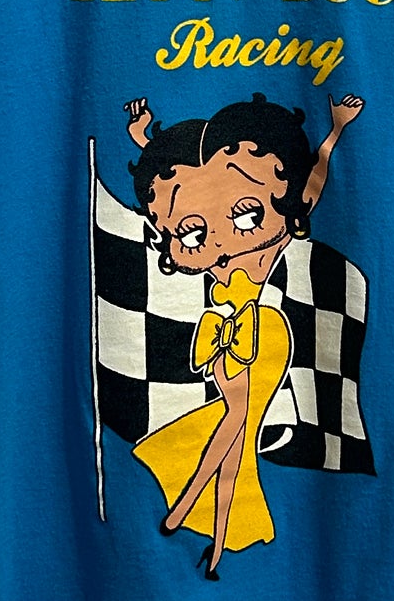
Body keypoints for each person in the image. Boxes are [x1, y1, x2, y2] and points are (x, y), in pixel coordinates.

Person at [122, 90, 361, 574]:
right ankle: (198, 520)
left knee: (237, 433)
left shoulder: (265, 235)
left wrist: (335, 131)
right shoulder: (216, 246)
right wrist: (146, 143)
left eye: (247, 214)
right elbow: (183, 192)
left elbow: (309, 187)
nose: (216, 235)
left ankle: (194, 519)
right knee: (235, 432)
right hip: (231, 340)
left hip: (264, 337)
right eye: (190, 234)